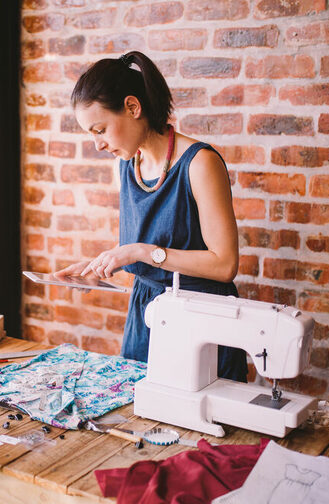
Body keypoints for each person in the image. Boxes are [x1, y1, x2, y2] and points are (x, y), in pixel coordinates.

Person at [55, 50, 248, 382]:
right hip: (145, 317)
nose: (97, 144)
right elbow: (145, 251)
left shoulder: (200, 163)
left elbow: (224, 264)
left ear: (133, 107)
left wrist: (140, 251)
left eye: (100, 129)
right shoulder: (128, 166)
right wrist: (98, 269)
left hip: (202, 318)